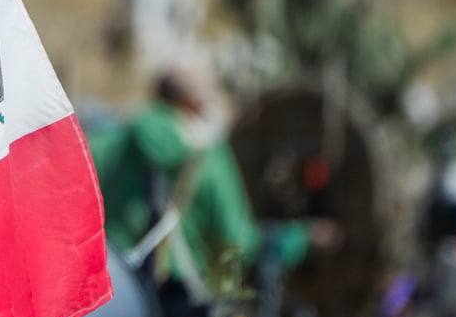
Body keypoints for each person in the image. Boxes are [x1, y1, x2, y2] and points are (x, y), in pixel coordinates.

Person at [90, 69, 335, 285]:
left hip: (111, 286)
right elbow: (238, 244)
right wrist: (302, 238)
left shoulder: (110, 142)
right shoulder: (210, 159)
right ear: (194, 103)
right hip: (172, 300)